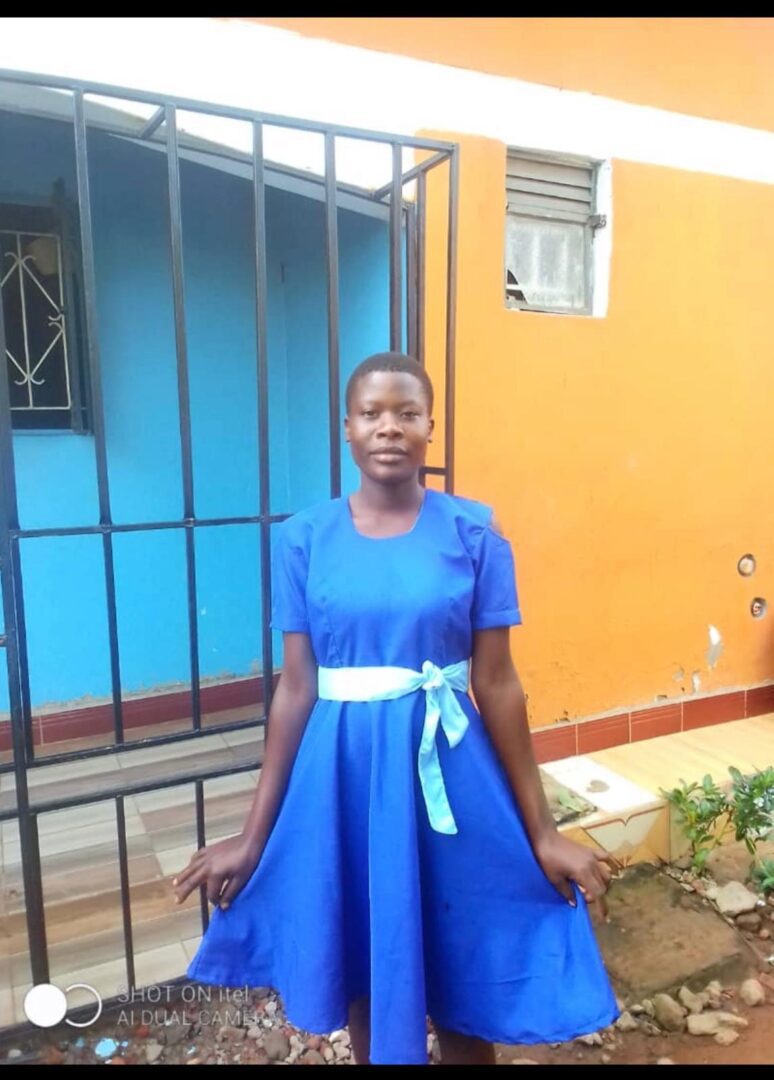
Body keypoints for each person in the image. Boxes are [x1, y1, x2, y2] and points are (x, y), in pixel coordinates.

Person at [172, 351, 619, 1065]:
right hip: (343, 780)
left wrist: (543, 831)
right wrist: (254, 837)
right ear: (346, 428)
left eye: (407, 413)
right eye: (372, 413)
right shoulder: (303, 538)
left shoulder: (473, 533)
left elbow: (498, 683)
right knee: (364, 962)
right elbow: (295, 686)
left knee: (461, 960)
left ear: (430, 429)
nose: (389, 427)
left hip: (450, 774)